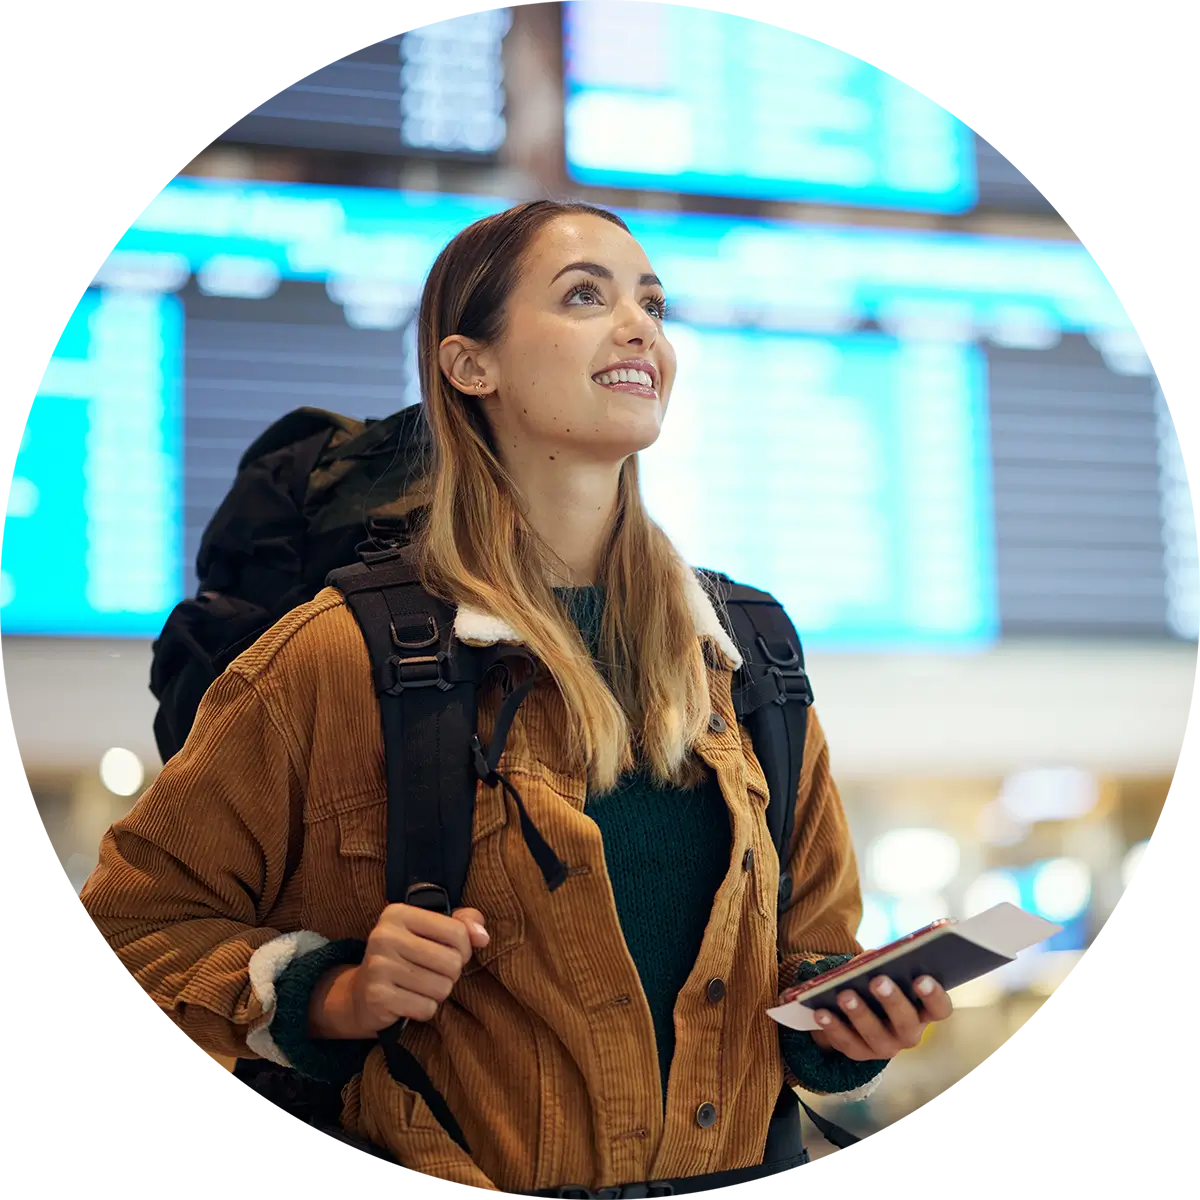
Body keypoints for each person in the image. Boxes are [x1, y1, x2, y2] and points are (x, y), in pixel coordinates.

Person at [76, 200, 953, 1195]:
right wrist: (333, 994)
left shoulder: (749, 657)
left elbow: (809, 955)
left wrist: (845, 1029)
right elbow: (135, 918)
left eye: (653, 305)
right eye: (586, 297)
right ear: (469, 366)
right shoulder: (342, 653)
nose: (641, 330)